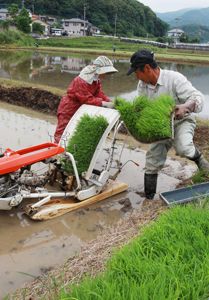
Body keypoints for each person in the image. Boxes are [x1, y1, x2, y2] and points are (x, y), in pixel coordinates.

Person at [126, 49, 209, 200]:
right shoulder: (142, 86)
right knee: (152, 161)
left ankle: (200, 160)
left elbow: (198, 97)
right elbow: (143, 109)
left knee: (184, 149)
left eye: (137, 73)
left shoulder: (174, 78)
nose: (136, 77)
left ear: (147, 68)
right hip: (160, 127)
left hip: (181, 122)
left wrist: (186, 107)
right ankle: (149, 198)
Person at [54, 56, 118, 144]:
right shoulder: (82, 80)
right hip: (69, 108)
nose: (106, 74)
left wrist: (109, 102)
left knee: (74, 131)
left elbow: (98, 93)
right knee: (63, 130)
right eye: (106, 72)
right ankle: (55, 150)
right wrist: (104, 104)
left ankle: (69, 151)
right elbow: (86, 99)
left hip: (80, 108)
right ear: (99, 70)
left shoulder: (97, 79)